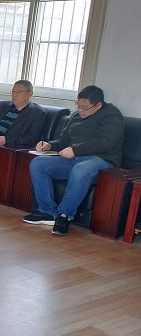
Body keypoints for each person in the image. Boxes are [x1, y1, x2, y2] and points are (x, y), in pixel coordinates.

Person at [23, 85, 124, 236]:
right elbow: (64, 140)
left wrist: (75, 150)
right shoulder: (76, 116)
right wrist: (50, 145)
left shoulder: (112, 116)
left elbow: (105, 142)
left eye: (85, 107)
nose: (80, 110)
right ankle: (47, 211)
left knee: (80, 170)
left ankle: (64, 216)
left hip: (101, 160)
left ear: (98, 105)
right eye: (78, 105)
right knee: (38, 164)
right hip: (74, 158)